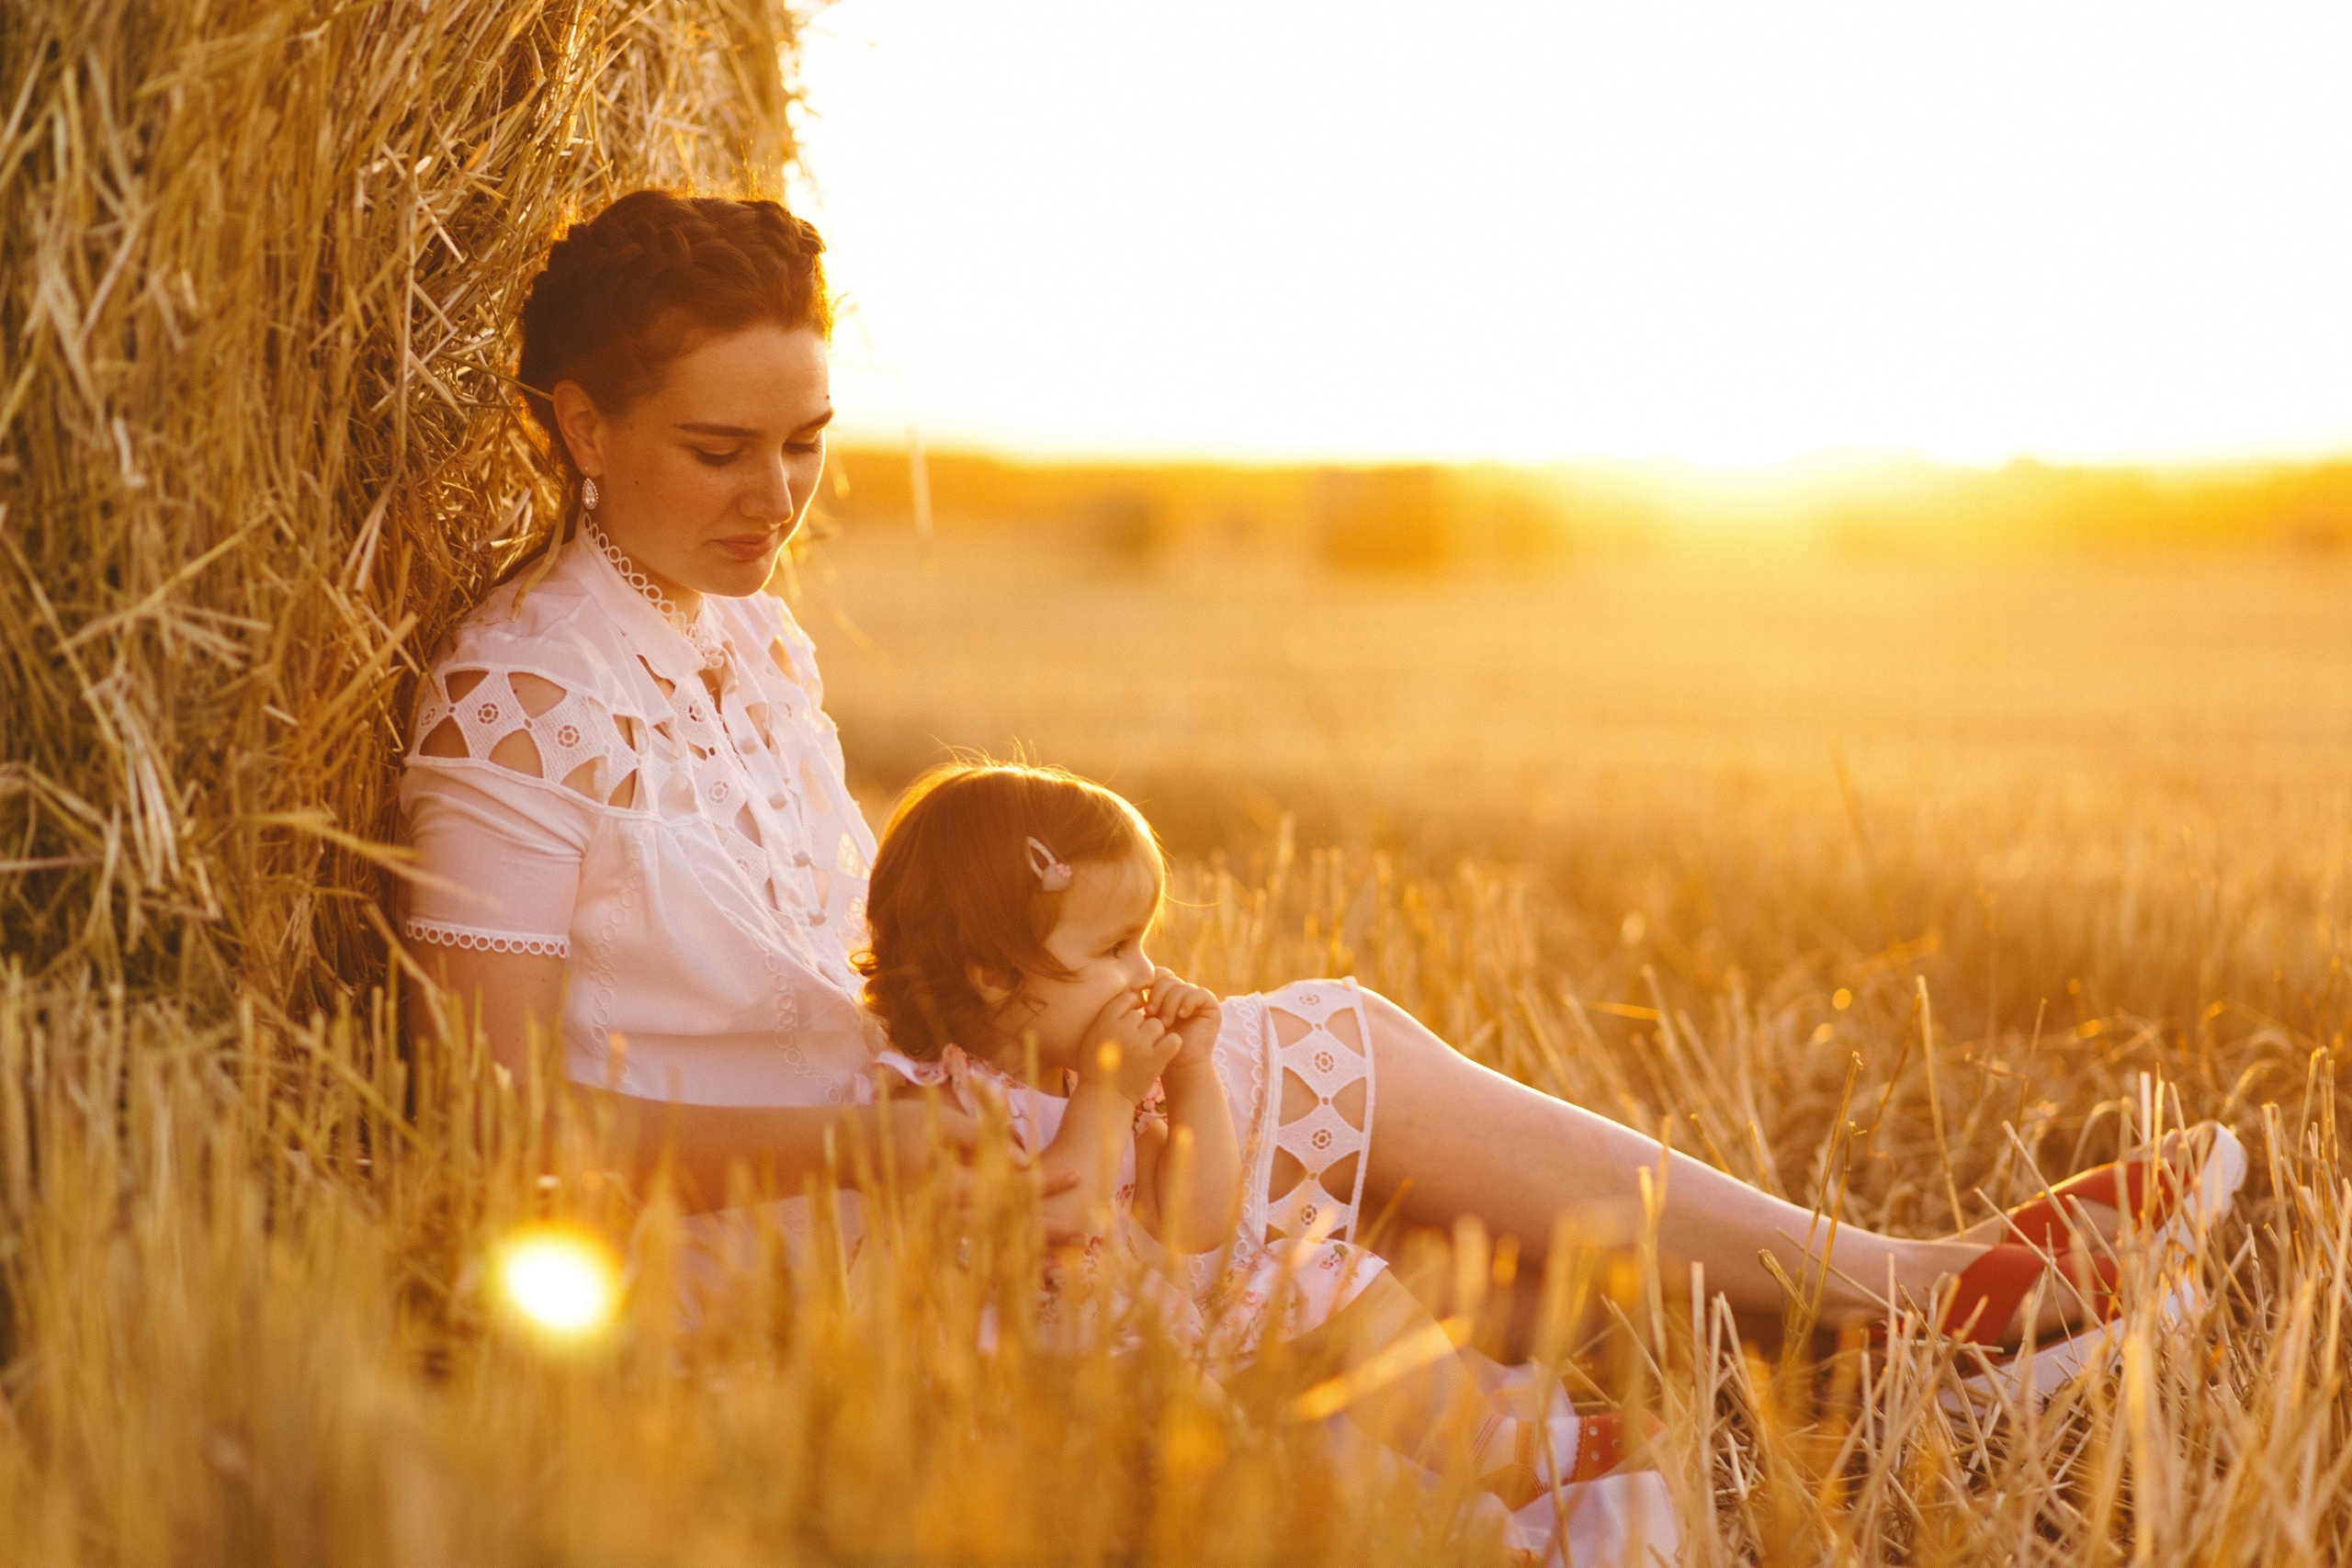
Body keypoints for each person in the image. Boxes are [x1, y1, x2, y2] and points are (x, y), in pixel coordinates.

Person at [400, 188, 2233, 1372]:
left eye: (805, 443)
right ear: (580, 422)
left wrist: (1060, 1019)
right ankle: (1902, 1309)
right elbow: (496, 1131)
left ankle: (1875, 1333)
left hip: (922, 1143)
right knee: (1336, 1109)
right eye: (720, 449)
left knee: (1327, 1145)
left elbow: (856, 957)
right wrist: (870, 1143)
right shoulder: (516, 700)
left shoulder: (757, 643)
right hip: (745, 1244)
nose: (775, 497)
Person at [847, 758, 1634, 1504]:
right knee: (1211, 1433)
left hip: (1158, 1328)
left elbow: (1196, 1222)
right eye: (1115, 948)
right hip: (1043, 1382)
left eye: (1143, 942)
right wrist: (1111, 1091)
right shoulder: (939, 1096)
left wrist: (1191, 1075)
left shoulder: (1087, 1073)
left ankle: (1490, 1451)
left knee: (1326, 1274)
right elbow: (1052, 1220)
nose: (1146, 974)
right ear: (994, 976)